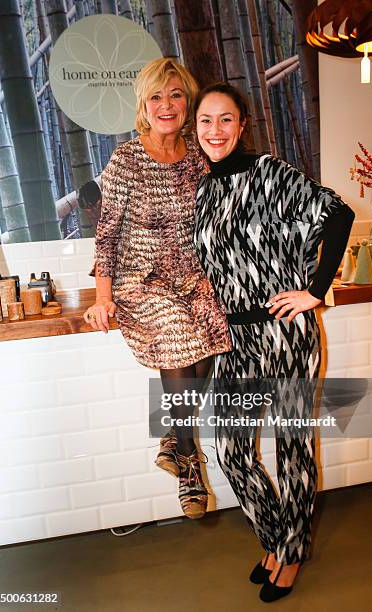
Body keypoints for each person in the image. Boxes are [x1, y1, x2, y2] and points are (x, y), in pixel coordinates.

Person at [193, 83, 354, 602]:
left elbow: (339, 214)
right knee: (231, 450)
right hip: (236, 336)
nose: (215, 131)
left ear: (242, 126)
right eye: (205, 121)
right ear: (196, 130)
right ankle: (275, 538)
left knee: (292, 448)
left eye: (225, 120)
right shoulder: (202, 189)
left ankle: (292, 551)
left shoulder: (270, 173)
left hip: (285, 331)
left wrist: (314, 290)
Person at [83, 60, 232, 520]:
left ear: (188, 103)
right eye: (156, 97)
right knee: (176, 339)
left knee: (216, 339)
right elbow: (106, 233)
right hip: (139, 279)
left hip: (191, 274)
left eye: (176, 96)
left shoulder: (197, 156)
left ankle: (172, 434)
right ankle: (189, 464)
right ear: (143, 106)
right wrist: (102, 296)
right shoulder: (126, 160)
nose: (166, 106)